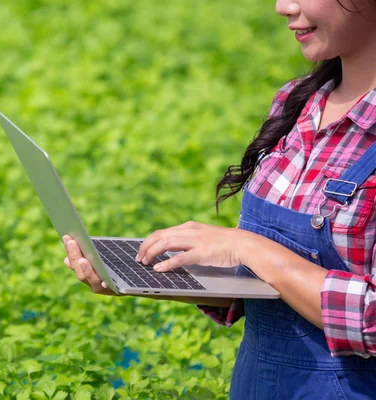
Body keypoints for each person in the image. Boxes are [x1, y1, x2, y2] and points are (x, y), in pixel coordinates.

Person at [62, 0, 376, 398]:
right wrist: (149, 276)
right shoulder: (297, 103)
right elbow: (276, 286)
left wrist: (247, 246)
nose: (282, 6)